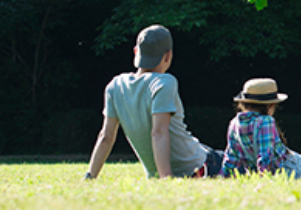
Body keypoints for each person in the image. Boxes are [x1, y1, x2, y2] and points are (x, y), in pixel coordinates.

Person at [84, 25, 224, 179]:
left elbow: (106, 137)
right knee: (243, 161)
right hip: (199, 166)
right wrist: (166, 179)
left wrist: (90, 176)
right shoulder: (164, 82)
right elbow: (158, 133)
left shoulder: (115, 86)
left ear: (136, 52)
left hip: (198, 157)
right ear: (168, 55)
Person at [220, 77, 301, 179]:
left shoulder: (234, 123)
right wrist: (266, 178)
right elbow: (266, 156)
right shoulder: (266, 121)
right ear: (270, 106)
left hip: (287, 165)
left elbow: (231, 157)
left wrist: (224, 177)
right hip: (290, 167)